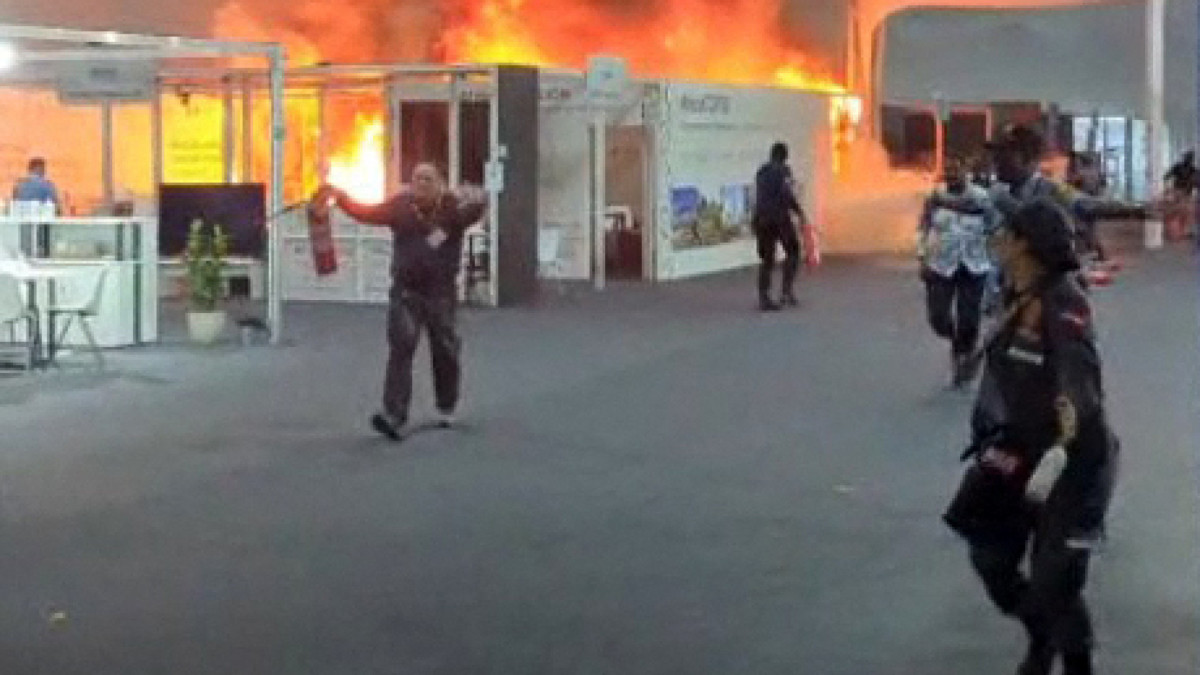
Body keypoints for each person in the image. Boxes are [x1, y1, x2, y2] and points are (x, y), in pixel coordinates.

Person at [948, 199, 1118, 675]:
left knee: (1054, 578)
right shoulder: (1014, 293)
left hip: (1072, 456)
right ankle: (1041, 633)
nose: (996, 239)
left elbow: (1079, 386)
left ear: (1025, 244)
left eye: (1005, 232)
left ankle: (1076, 661)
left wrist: (1063, 447)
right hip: (1016, 445)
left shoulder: (1063, 300)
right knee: (989, 554)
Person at [320, 163, 487, 439]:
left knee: (445, 350)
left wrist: (478, 196)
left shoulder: (453, 210)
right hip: (406, 292)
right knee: (401, 349)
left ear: (440, 184)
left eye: (428, 179)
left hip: (440, 293)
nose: (420, 183)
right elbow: (367, 213)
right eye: (416, 178)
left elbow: (477, 209)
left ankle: (446, 405)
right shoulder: (400, 207)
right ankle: (393, 415)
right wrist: (341, 198)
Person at [918, 159, 998, 386]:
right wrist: (922, 257)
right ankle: (955, 340)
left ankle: (964, 358)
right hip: (941, 265)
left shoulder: (981, 196)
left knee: (969, 318)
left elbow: (991, 222)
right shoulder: (934, 197)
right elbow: (923, 228)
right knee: (938, 318)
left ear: (967, 172)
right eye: (948, 171)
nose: (952, 175)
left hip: (974, 265)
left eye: (957, 170)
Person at [752, 142, 807, 311]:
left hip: (761, 219)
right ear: (784, 157)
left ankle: (763, 297)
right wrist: (799, 212)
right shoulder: (783, 171)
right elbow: (786, 195)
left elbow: (760, 197)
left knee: (767, 259)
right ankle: (786, 291)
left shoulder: (761, 172)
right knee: (793, 251)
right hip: (779, 219)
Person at [1163, 150, 1196, 241]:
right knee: (1180, 213)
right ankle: (1176, 232)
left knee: (1184, 213)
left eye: (1190, 158)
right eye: (1188, 158)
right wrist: (1168, 190)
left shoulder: (1192, 170)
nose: (1189, 160)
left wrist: (1168, 189)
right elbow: (1166, 177)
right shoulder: (1179, 167)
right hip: (1180, 193)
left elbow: (1166, 177)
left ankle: (1181, 232)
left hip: (1184, 194)